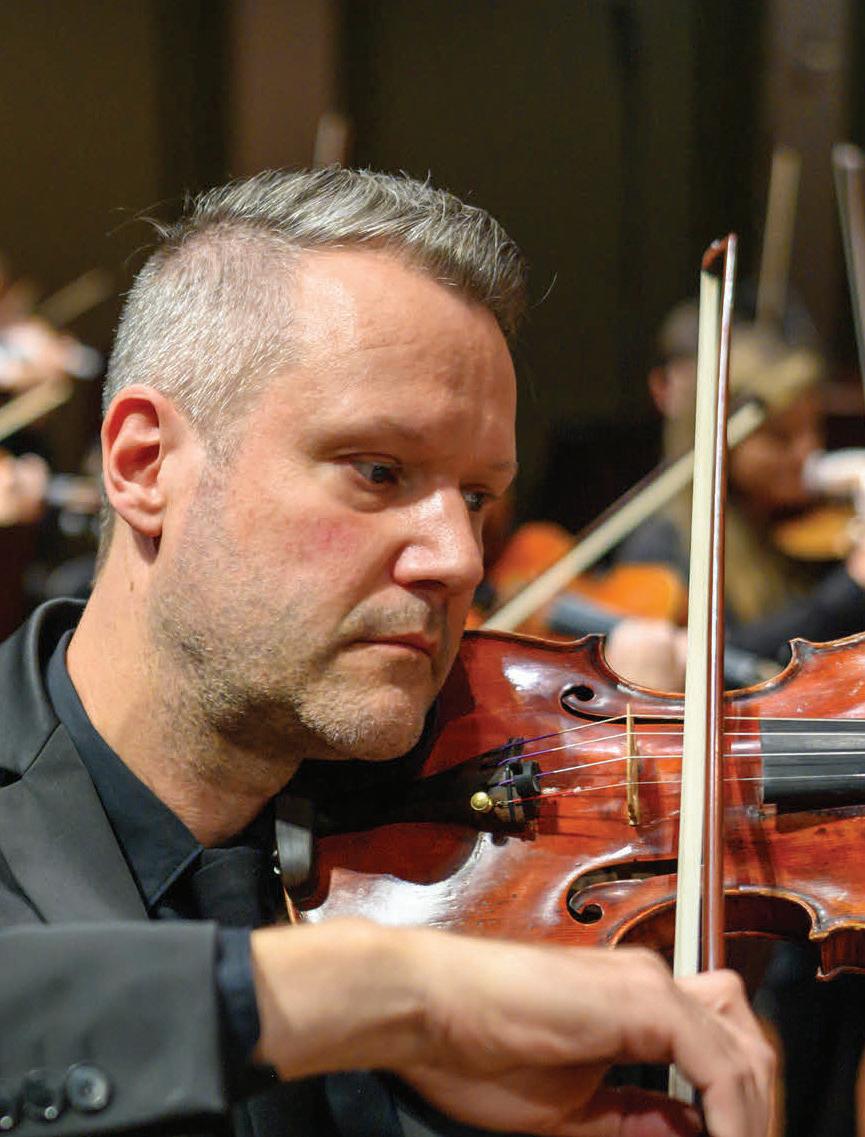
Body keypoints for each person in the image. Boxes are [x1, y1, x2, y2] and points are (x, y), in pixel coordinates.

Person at [0, 168, 772, 1137]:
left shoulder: (488, 892)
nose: (458, 558)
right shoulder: (424, 983)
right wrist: (391, 991)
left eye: (478, 497)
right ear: (145, 464)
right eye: (378, 470)